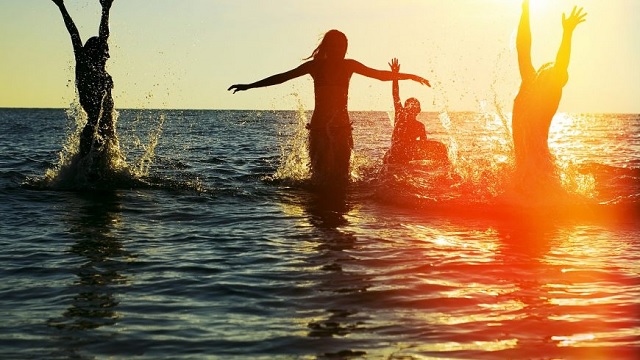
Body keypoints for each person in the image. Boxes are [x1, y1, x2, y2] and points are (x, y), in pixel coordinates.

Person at [228, 30, 430, 188]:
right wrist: (250, 86)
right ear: (327, 47)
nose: (340, 50)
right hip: (318, 129)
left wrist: (410, 76)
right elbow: (283, 77)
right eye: (336, 46)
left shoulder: (349, 65)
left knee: (342, 179)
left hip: (342, 129)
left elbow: (379, 75)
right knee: (318, 178)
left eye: (343, 46)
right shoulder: (315, 66)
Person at [512, 0, 586, 192]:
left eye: (554, 72)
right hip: (524, 166)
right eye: (548, 67)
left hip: (539, 166)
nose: (548, 69)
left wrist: (567, 33)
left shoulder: (548, 97)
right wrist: (525, 10)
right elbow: (523, 47)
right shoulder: (530, 82)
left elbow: (561, 62)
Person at [52, 0, 116, 159]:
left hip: (107, 130)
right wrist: (61, 6)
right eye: (104, 51)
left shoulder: (99, 67)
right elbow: (73, 33)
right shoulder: (84, 64)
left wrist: (105, 10)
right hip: (92, 130)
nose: (107, 55)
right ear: (95, 52)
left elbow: (104, 35)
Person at [383, 58, 448, 166]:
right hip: (395, 154)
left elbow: (423, 145)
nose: (411, 110)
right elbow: (395, 94)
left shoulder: (419, 126)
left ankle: (444, 168)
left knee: (441, 147)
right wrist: (395, 76)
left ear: (418, 111)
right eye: (410, 107)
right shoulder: (401, 116)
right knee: (439, 147)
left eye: (413, 108)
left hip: (405, 154)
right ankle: (442, 167)